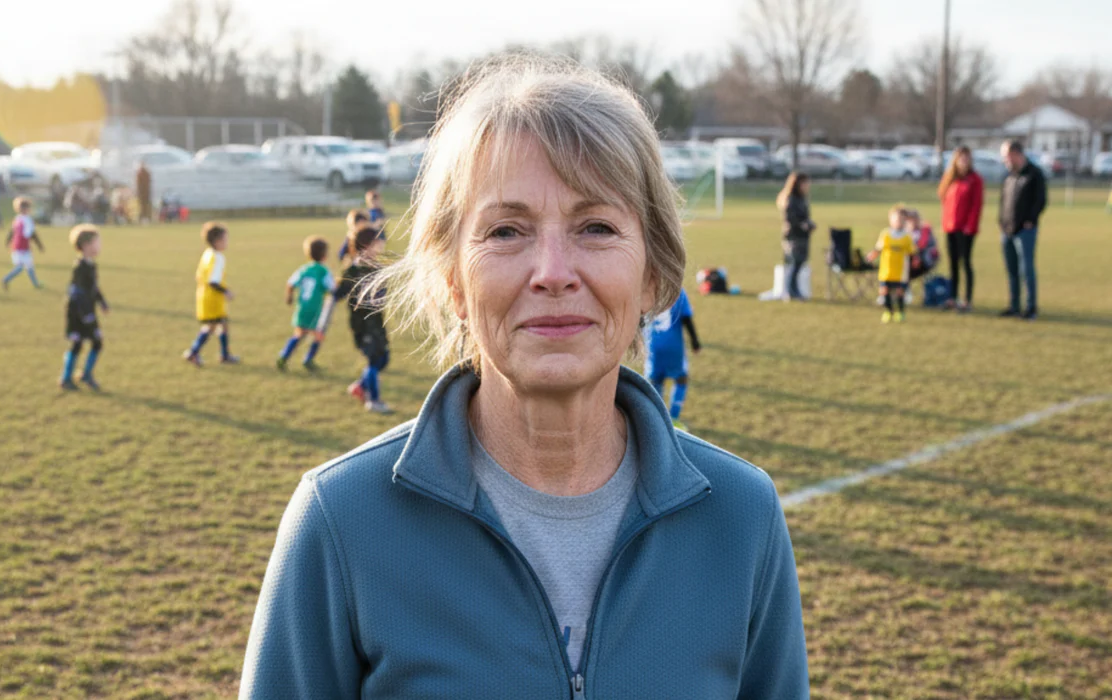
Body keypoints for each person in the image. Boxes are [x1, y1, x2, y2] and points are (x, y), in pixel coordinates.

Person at [239, 55, 808, 700]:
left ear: (654, 274)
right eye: (506, 231)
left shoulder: (742, 515)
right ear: (452, 279)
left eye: (597, 227)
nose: (553, 272)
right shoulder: (343, 520)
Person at [330, 226, 391, 414]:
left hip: (377, 322)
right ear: (366, 245)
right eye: (378, 242)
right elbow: (338, 294)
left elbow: (383, 293)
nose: (381, 245)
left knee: (384, 358)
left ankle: (360, 386)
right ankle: (374, 400)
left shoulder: (377, 267)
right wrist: (332, 288)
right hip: (362, 325)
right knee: (374, 360)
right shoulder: (353, 270)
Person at [998, 140, 1047, 320]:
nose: (1005, 160)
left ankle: (1030, 307)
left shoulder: (1034, 174)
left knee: (1026, 269)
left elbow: (1041, 200)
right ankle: (1014, 306)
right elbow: (1003, 200)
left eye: (1007, 156)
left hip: (1025, 231)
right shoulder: (1009, 175)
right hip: (1007, 230)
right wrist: (1001, 221)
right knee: (1011, 270)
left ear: (1016, 154)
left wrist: (1030, 220)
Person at [645, 288, 702, 430]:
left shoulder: (647, 288)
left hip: (652, 345)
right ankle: (674, 419)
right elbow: (686, 318)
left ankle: (656, 419)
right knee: (681, 379)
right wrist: (695, 341)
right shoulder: (677, 291)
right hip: (673, 345)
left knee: (656, 381)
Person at [183, 222, 239, 367]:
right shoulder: (218, 258)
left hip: (203, 295)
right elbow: (213, 281)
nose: (227, 242)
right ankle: (194, 352)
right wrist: (226, 291)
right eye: (225, 239)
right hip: (213, 298)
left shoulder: (207, 254)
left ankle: (224, 354)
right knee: (212, 326)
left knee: (222, 325)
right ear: (217, 241)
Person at [61, 225, 109, 391]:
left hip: (87, 311)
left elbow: (93, 288)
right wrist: (85, 315)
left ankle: (85, 374)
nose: (100, 246)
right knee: (78, 344)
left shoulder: (91, 265)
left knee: (96, 343)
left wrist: (102, 302)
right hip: (78, 312)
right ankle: (66, 378)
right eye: (97, 243)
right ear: (86, 245)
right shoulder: (80, 267)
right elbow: (78, 294)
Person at [277, 236, 336, 372]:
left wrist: (289, 297)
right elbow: (332, 288)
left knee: (299, 333)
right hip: (315, 309)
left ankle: (284, 356)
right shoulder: (323, 271)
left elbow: (290, 283)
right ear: (325, 255)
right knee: (318, 334)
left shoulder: (304, 269)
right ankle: (308, 360)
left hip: (302, 307)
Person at [938, 145, 984, 311]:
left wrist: (970, 226)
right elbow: (943, 197)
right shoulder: (951, 177)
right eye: (960, 158)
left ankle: (967, 300)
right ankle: (952, 297)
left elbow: (976, 205)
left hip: (966, 229)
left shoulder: (975, 179)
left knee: (966, 262)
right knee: (953, 263)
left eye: (966, 158)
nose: (963, 162)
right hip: (951, 226)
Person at [867, 205, 918, 324]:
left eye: (901, 219)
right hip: (886, 270)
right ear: (890, 220)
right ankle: (888, 312)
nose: (898, 222)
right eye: (896, 219)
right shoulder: (885, 234)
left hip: (900, 271)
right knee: (884, 291)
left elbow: (912, 252)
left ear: (905, 221)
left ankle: (900, 312)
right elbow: (878, 248)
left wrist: (915, 261)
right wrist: (872, 255)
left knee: (900, 292)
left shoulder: (907, 237)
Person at [777, 171, 814, 300]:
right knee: (794, 263)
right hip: (794, 236)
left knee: (799, 263)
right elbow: (790, 218)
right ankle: (791, 291)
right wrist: (801, 224)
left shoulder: (801, 198)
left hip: (803, 236)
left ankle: (794, 290)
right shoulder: (791, 199)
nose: (807, 186)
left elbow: (804, 215)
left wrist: (809, 224)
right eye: (805, 183)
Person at [2, 197, 45, 291]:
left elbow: (12, 232)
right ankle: (6, 279)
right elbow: (32, 234)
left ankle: (36, 284)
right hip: (23, 246)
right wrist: (40, 245)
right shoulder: (28, 220)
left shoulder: (17, 219)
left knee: (29, 266)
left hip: (16, 246)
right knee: (21, 267)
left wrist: (8, 241)